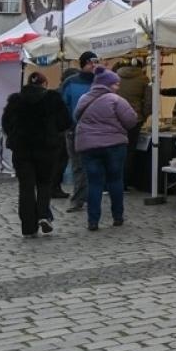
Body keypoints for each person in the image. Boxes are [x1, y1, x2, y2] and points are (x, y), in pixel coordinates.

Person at [2, 71, 70, 237]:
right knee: (44, 184)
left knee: (25, 187)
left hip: (22, 150)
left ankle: (28, 226)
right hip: (46, 149)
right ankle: (43, 215)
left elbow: (5, 124)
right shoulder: (53, 99)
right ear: (44, 83)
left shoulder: (15, 100)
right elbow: (65, 122)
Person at [74, 69, 138, 230]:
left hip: (89, 146)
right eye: (116, 84)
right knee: (115, 180)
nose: (118, 87)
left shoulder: (84, 98)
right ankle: (118, 216)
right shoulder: (115, 100)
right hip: (114, 145)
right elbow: (131, 121)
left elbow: (76, 117)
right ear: (107, 84)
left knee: (94, 183)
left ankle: (93, 221)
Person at [58, 56, 97, 208]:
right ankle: (79, 197)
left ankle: (90, 196)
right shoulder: (71, 82)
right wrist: (67, 125)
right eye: (90, 63)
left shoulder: (100, 81)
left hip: (95, 129)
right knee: (77, 164)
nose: (93, 65)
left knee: (93, 164)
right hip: (74, 129)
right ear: (83, 65)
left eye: (95, 62)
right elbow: (63, 105)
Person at [112, 59, 152, 190]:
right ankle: (124, 183)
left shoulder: (115, 77)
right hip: (135, 119)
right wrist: (143, 115)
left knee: (114, 149)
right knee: (129, 151)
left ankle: (112, 181)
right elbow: (149, 102)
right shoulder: (143, 79)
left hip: (116, 117)